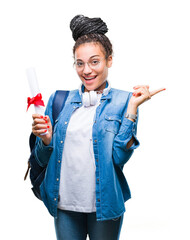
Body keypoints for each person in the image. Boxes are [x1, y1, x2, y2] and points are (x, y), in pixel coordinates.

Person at [31, 15, 165, 240]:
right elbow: (42, 159)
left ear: (109, 60)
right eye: (80, 63)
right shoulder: (58, 100)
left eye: (95, 61)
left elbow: (119, 158)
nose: (87, 70)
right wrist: (45, 140)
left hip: (106, 205)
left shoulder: (125, 101)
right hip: (64, 203)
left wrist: (132, 108)